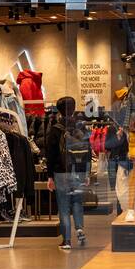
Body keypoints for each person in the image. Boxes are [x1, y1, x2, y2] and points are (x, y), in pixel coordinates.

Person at [46, 97, 90, 250]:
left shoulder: (55, 128)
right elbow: (88, 151)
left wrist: (49, 176)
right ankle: (79, 229)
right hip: (78, 171)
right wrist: (87, 173)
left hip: (61, 172)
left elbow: (50, 154)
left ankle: (67, 241)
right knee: (77, 201)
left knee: (64, 207)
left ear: (59, 110)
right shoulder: (81, 127)